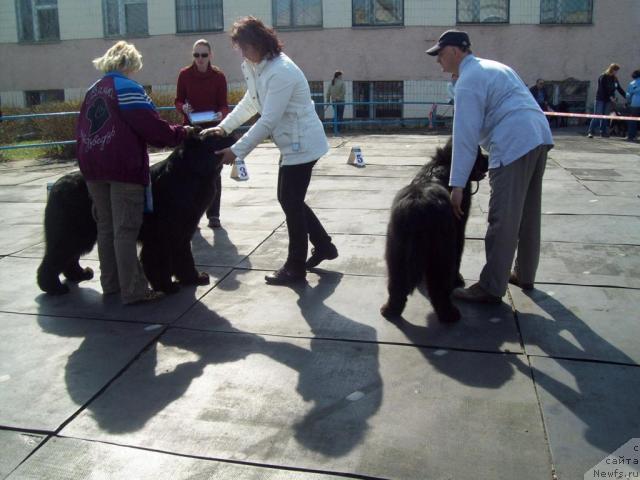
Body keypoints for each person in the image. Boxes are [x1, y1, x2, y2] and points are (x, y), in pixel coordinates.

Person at [201, 16, 338, 286]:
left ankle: (295, 268)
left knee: (290, 200)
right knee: (290, 199)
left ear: (259, 43)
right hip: (292, 142)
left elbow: (268, 120)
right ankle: (324, 246)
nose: (241, 52)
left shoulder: (280, 71)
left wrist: (236, 150)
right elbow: (251, 102)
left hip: (304, 144)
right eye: (238, 47)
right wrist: (223, 128)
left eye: (244, 46)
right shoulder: (255, 66)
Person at [426, 30, 554, 303]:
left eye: (440, 54)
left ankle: (491, 287)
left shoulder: (469, 79)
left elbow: (465, 136)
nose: (438, 61)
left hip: (514, 142)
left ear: (454, 51)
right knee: (529, 212)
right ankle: (525, 274)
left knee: (503, 219)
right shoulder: (495, 67)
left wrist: (457, 185)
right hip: (538, 136)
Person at [77, 41, 194, 304]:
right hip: (122, 166)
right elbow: (150, 126)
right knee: (125, 230)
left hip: (92, 166)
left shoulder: (93, 90)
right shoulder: (127, 87)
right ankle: (133, 290)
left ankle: (112, 284)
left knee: (106, 228)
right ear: (129, 64)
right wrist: (180, 133)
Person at [175, 39, 229, 228]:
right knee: (189, 174)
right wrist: (184, 108)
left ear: (210, 56)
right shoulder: (184, 75)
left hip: (213, 130)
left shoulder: (218, 76)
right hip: (192, 130)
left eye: (203, 55)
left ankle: (214, 214)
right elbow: (178, 100)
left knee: (214, 173)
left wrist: (222, 113)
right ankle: (192, 216)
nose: (200, 59)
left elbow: (224, 104)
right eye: (196, 55)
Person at [587, 63, 626, 138]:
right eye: (615, 70)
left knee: (605, 117)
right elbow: (603, 88)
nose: (616, 72)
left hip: (609, 101)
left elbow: (619, 88)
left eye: (617, 71)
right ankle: (590, 132)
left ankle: (603, 132)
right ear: (611, 69)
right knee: (597, 116)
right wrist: (610, 96)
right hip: (600, 99)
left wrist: (626, 96)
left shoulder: (615, 79)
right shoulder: (603, 76)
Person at [625, 70, 640, 142]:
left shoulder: (632, 83)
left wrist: (628, 102)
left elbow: (628, 95)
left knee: (633, 120)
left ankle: (631, 136)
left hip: (635, 104)